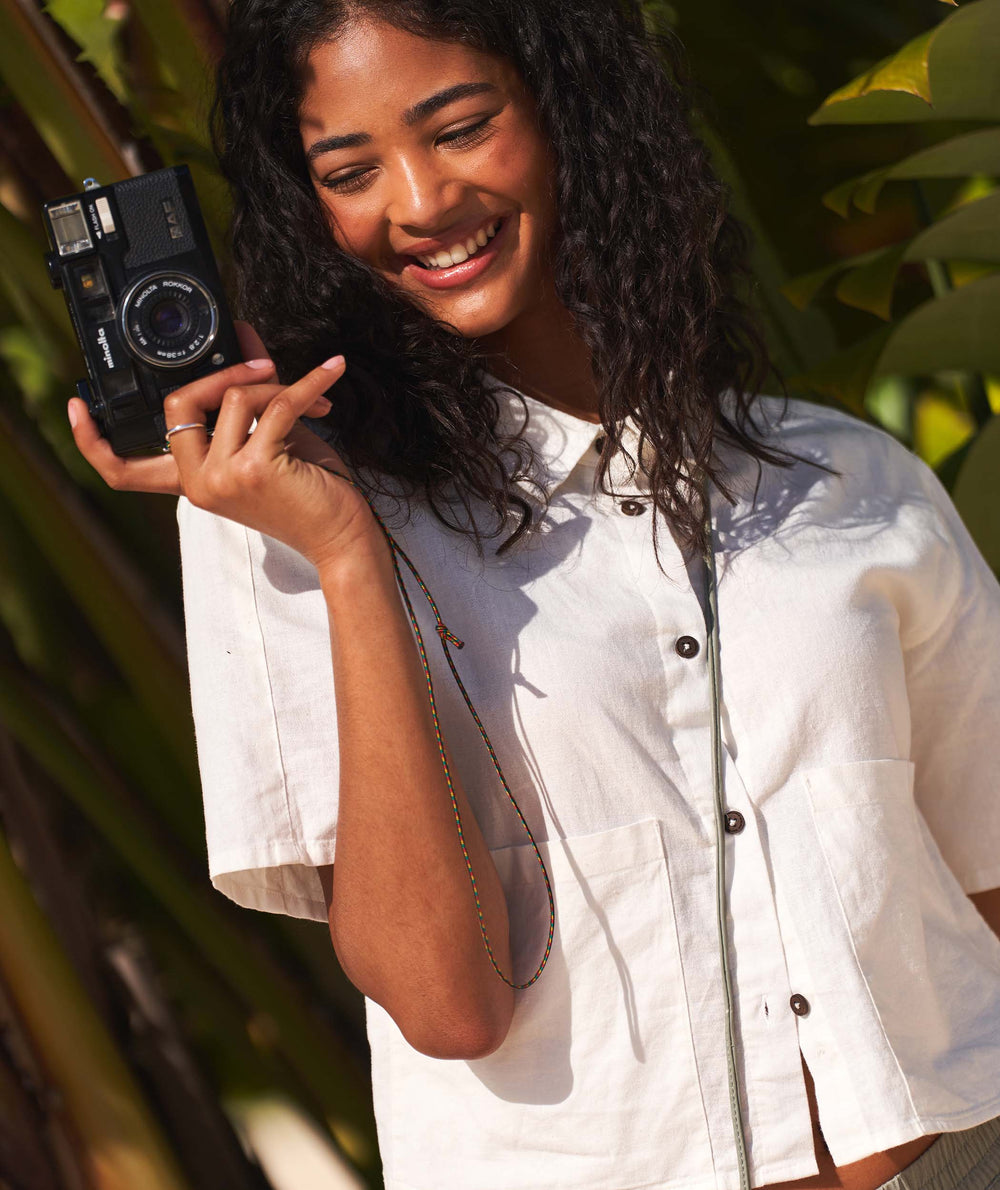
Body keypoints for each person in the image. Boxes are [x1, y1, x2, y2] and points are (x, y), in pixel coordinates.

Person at [67, 1, 1000, 1188]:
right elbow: (445, 1004)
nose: (419, 200)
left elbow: (982, 879)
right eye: (349, 170)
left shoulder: (846, 480)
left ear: (566, 111)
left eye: (460, 127)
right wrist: (351, 558)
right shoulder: (287, 521)